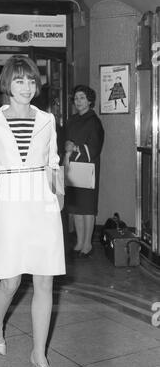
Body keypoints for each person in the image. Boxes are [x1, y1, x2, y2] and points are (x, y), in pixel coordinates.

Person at [0, 55, 66, 367]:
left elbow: (54, 162)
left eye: (32, 80)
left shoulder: (47, 119)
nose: (27, 87)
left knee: (45, 282)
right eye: (20, 80)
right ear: (7, 83)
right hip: (8, 201)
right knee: (11, 282)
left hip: (42, 202)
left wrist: (59, 199)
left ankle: (39, 355)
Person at [64, 85, 104, 257]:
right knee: (75, 207)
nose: (78, 101)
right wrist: (66, 147)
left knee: (87, 208)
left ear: (89, 100)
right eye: (76, 98)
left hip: (88, 168)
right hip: (71, 166)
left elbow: (95, 148)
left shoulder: (94, 121)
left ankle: (87, 244)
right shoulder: (71, 120)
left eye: (82, 98)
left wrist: (76, 148)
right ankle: (79, 242)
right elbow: (64, 140)